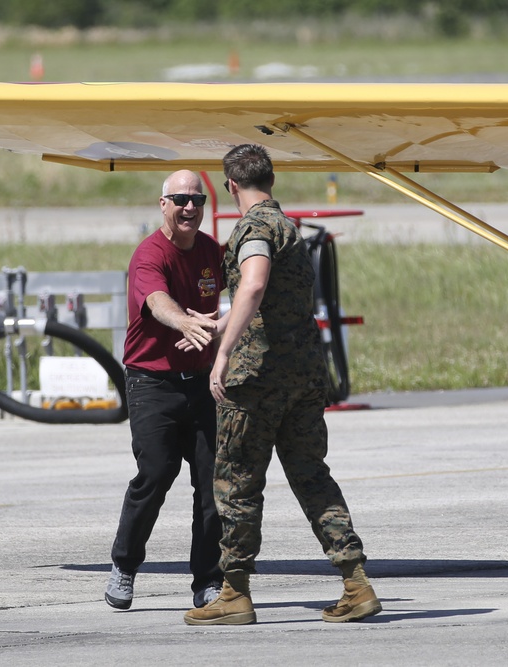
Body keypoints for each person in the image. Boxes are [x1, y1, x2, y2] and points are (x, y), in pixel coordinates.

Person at [183, 144, 381, 626]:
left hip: (256, 381)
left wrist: (224, 353)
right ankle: (356, 582)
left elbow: (252, 284)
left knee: (237, 484)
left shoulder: (253, 227)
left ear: (231, 185)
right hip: (303, 377)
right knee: (312, 476)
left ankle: (234, 592)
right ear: (270, 181)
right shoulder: (289, 226)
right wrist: (226, 321)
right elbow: (269, 298)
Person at [105, 169, 227, 610]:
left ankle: (208, 581)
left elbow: (250, 280)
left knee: (213, 484)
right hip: (151, 382)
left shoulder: (212, 252)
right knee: (155, 475)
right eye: (179, 199)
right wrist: (187, 322)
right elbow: (157, 302)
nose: (189, 207)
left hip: (201, 383)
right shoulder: (149, 255)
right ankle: (123, 565)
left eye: (196, 200)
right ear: (163, 205)